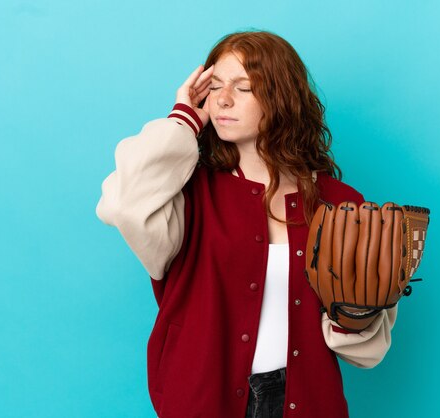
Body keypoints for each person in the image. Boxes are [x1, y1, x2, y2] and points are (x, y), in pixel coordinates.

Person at [96, 30, 397, 418]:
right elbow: (123, 202)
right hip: (204, 400)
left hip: (305, 401)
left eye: (244, 87)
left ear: (280, 97)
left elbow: (367, 348)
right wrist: (184, 117)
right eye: (215, 86)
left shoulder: (340, 203)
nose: (222, 99)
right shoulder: (187, 195)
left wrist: (356, 317)